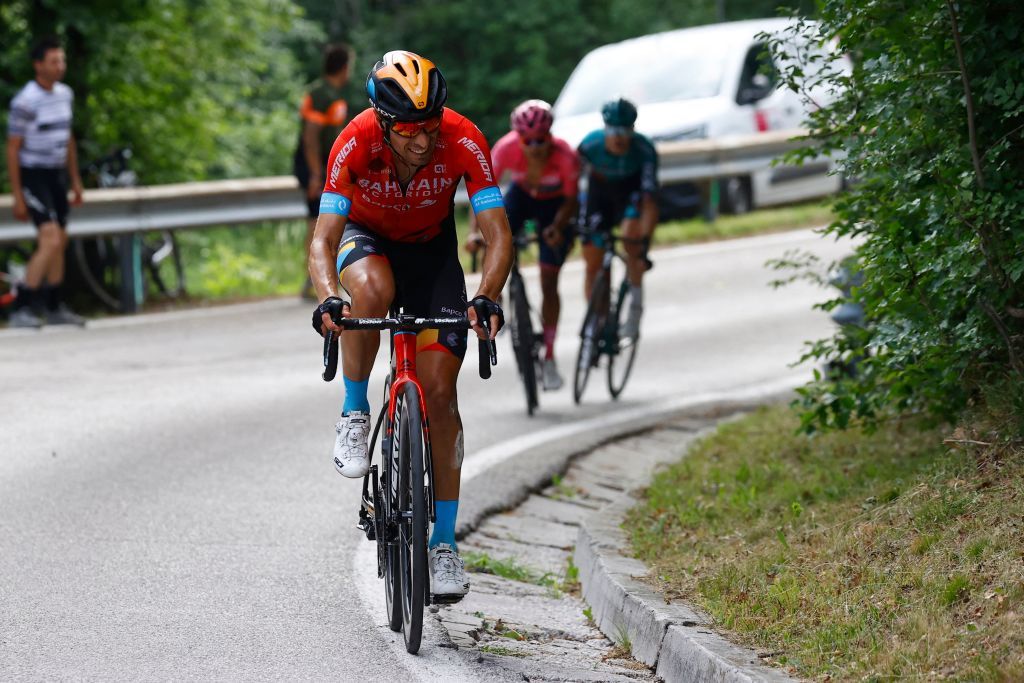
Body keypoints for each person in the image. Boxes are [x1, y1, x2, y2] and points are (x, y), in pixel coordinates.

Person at [308, 51, 512, 601]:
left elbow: (497, 235)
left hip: (433, 259)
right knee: (372, 293)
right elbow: (324, 240)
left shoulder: (464, 138)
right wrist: (330, 297)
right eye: (409, 132)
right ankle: (355, 408)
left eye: (430, 128)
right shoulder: (353, 141)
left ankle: (443, 544)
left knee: (441, 396)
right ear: (381, 120)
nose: (423, 142)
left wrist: (486, 295)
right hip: (368, 245)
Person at [466, 100, 579, 390]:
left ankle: (550, 356)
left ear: (550, 135)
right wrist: (473, 233)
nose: (535, 147)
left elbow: (571, 200)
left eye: (541, 140)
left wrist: (556, 228)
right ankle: (497, 295)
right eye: (527, 141)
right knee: (496, 238)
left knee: (549, 279)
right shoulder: (505, 148)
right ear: (518, 137)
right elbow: (481, 194)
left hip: (555, 205)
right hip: (522, 196)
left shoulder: (565, 155)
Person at [5, 35, 85, 328]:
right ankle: (22, 305)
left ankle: (54, 305)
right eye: (53, 61)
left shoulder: (65, 94)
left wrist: (75, 180)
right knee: (49, 238)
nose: (60, 66)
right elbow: (13, 147)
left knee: (59, 239)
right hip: (33, 174)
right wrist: (18, 193)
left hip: (56, 174)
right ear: (38, 65)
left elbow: (68, 138)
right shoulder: (25, 101)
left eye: (62, 60)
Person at [577, 97, 658, 339]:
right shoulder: (589, 146)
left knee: (632, 242)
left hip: (629, 194)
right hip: (598, 195)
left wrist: (644, 245)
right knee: (592, 261)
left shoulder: (644, 150)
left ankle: (634, 313)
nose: (618, 137)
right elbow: (573, 188)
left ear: (633, 130)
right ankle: (596, 319)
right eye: (613, 130)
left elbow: (650, 203)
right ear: (605, 128)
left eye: (624, 131)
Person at [295, 44, 358, 301]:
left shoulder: (331, 93)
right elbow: (310, 136)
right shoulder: (321, 94)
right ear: (344, 67)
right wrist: (315, 174)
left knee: (331, 222)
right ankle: (313, 281)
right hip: (315, 165)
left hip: (325, 165)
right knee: (318, 223)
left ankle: (323, 278)